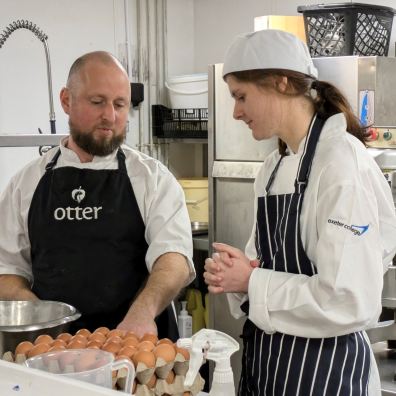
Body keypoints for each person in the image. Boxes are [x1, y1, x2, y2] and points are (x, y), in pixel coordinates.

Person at [204, 29, 396, 395]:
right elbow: (259, 268)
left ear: (281, 83)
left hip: (328, 376)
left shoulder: (341, 163)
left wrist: (251, 281)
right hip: (269, 367)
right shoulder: (273, 168)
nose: (236, 112)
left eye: (241, 96)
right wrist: (234, 276)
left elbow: (350, 298)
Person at [0, 51, 195, 340]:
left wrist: (142, 312)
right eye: (97, 102)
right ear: (66, 100)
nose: (110, 116)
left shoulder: (153, 179)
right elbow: (8, 271)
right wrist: (43, 320)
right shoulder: (26, 183)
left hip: (133, 345)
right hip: (55, 352)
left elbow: (174, 259)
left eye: (120, 104)